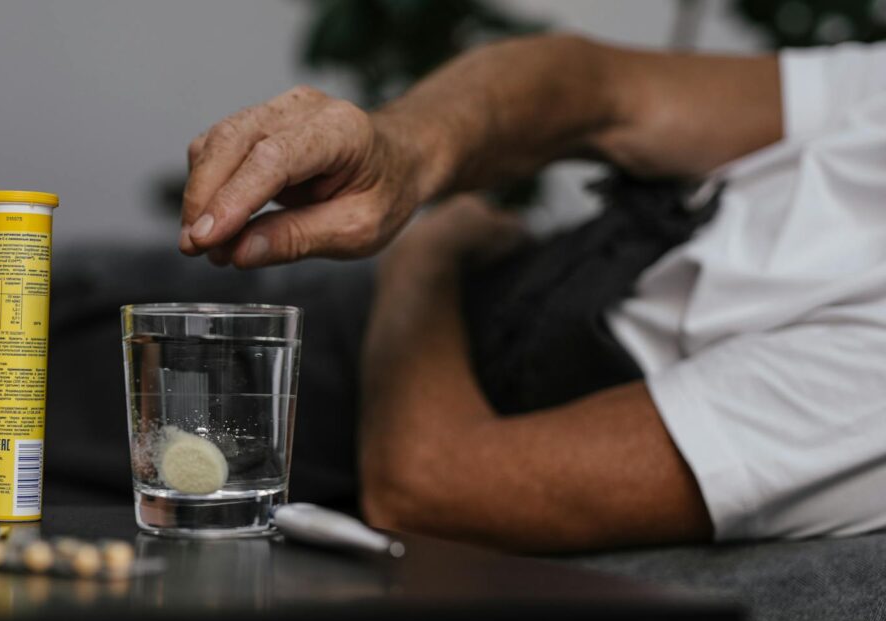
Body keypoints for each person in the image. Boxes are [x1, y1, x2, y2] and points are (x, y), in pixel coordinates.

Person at [178, 34, 886, 552]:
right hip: (394, 301)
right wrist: (404, 148)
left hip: (384, 400)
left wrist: (428, 255)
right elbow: (603, 89)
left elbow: (426, 490)